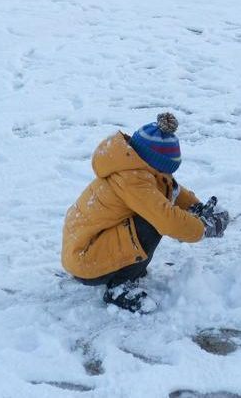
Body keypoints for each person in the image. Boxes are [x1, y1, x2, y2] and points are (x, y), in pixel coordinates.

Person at [61, 113, 230, 313]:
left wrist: (197, 207)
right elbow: (169, 221)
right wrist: (203, 228)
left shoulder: (132, 164)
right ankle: (119, 287)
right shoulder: (133, 180)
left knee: (153, 212)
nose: (167, 175)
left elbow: (167, 187)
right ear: (153, 163)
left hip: (86, 250)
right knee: (153, 222)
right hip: (86, 260)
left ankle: (125, 269)